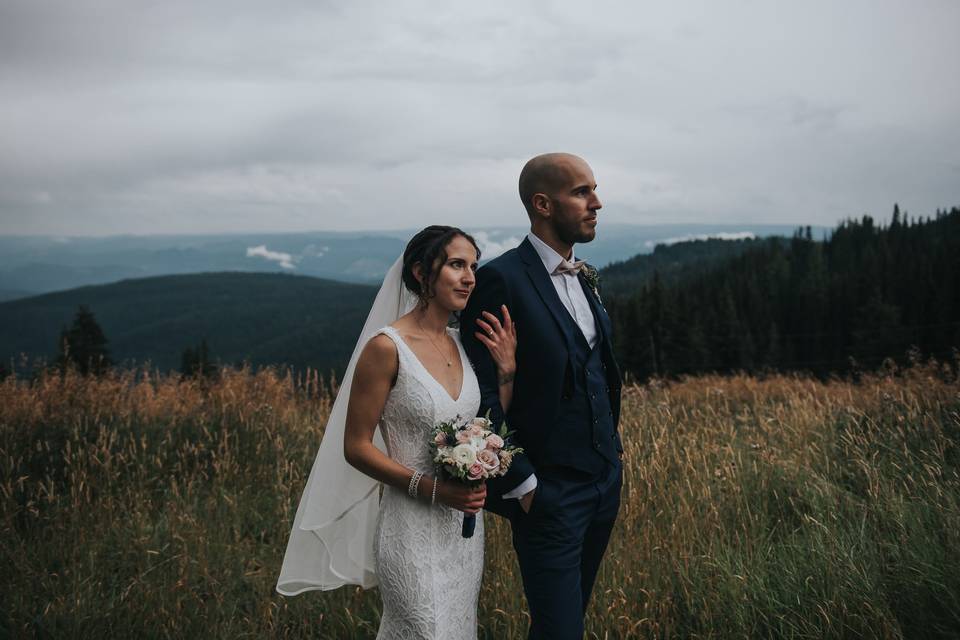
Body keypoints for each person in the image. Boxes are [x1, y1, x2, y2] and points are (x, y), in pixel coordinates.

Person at [276, 225, 517, 640]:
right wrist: (432, 489)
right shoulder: (387, 347)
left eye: (473, 266)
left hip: (463, 532)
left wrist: (508, 372)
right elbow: (355, 447)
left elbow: (488, 427)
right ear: (422, 273)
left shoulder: (463, 344)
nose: (470, 277)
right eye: (457, 265)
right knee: (425, 630)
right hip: (409, 528)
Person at [461, 153, 624, 639]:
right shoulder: (502, 279)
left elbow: (596, 370)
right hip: (548, 493)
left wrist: (612, 460)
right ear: (542, 204)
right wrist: (524, 484)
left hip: (601, 484)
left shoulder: (583, 275)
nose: (597, 203)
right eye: (582, 192)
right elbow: (479, 391)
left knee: (567, 624)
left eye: (594, 189)